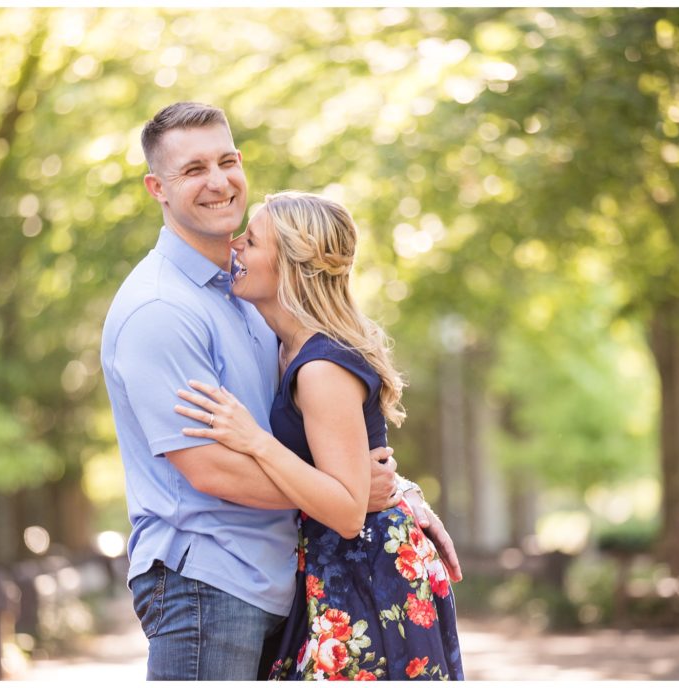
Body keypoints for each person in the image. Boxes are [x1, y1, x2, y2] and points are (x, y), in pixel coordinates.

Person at [100, 102, 460, 680]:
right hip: (207, 583)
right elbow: (213, 469)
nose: (218, 182)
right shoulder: (161, 309)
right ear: (157, 188)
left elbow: (329, 430)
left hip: (285, 580)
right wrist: (348, 495)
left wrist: (391, 490)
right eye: (193, 170)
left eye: (227, 160)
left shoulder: (249, 297)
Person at [174, 191, 464, 680]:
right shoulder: (289, 350)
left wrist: (254, 440)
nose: (236, 244)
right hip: (339, 568)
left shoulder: (321, 368)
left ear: (289, 266)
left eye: (253, 239)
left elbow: (349, 511)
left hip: (368, 573)